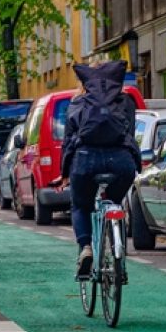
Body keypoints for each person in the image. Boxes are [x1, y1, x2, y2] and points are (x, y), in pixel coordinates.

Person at [60, 59, 142, 279]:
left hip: (85, 160)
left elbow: (69, 141)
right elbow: (130, 135)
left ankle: (86, 247)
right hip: (121, 162)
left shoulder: (77, 102)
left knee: (80, 205)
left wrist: (65, 173)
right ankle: (119, 259)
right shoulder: (125, 101)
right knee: (115, 204)